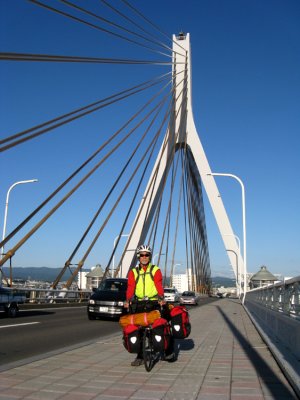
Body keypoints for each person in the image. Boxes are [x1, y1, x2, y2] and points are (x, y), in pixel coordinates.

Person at [124, 244, 175, 366]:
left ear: (150, 256)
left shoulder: (155, 270)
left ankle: (168, 351)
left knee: (162, 324)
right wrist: (127, 300)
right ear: (138, 257)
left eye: (147, 255)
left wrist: (161, 298)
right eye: (142, 255)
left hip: (154, 302)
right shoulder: (133, 272)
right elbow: (131, 288)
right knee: (138, 329)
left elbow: (158, 285)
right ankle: (140, 356)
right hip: (139, 302)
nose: (144, 257)